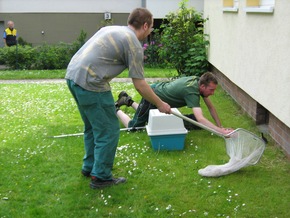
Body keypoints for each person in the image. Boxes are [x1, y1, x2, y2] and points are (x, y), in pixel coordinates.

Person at [65, 8, 171, 189]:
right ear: (145, 26)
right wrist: (160, 104)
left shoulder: (112, 29)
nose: (151, 31)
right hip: (92, 83)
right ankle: (101, 177)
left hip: (73, 76)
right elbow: (140, 85)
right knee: (109, 130)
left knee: (92, 127)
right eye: (151, 27)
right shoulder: (133, 43)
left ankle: (89, 167)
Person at [115, 72, 233, 135]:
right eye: (211, 90)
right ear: (202, 86)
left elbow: (211, 108)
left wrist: (220, 127)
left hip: (159, 95)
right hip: (152, 96)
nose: (212, 93)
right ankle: (115, 109)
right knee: (133, 128)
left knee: (148, 117)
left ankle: (127, 101)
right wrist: (221, 132)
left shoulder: (197, 81)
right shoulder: (191, 92)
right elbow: (200, 119)